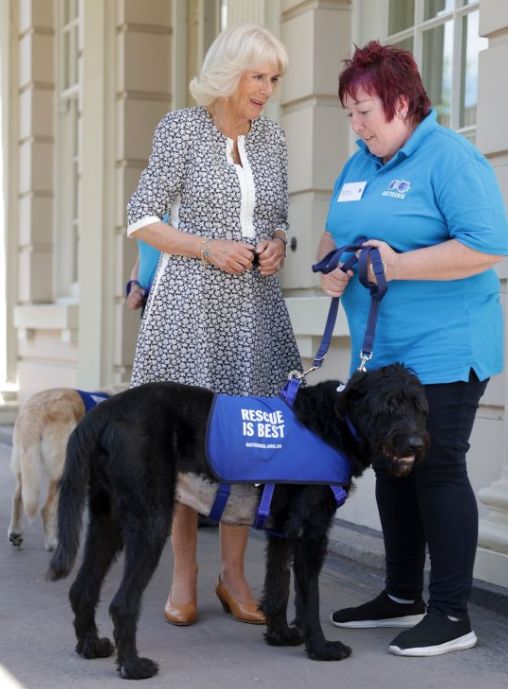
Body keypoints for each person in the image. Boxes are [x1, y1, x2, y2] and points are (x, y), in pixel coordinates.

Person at [318, 41, 508, 657]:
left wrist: (398, 266)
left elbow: (487, 245)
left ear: (402, 102)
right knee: (391, 473)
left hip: (446, 346)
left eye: (365, 111)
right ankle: (402, 595)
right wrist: (331, 269)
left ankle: (452, 615)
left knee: (436, 468)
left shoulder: (449, 158)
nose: (357, 125)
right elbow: (335, 231)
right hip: (384, 354)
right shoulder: (360, 164)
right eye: (349, 113)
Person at [126, 23, 301, 627]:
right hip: (188, 312)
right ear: (230, 73)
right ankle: (184, 576)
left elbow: (279, 216)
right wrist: (205, 247)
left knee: (250, 441)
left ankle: (234, 576)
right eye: (259, 76)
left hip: (255, 312)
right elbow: (142, 218)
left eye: (274, 79)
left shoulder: (274, 139)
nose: (268, 90)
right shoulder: (181, 129)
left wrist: (279, 243)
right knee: (186, 442)